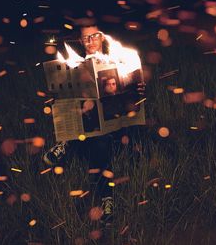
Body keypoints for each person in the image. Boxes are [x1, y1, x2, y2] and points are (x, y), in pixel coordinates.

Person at [43, 24, 145, 224]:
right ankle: (107, 197)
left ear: (102, 38)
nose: (90, 41)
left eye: (94, 36)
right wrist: (56, 99)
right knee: (97, 140)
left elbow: (134, 96)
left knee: (101, 140)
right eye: (86, 38)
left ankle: (68, 145)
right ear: (81, 41)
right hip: (88, 125)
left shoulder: (117, 61)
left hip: (115, 124)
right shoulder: (75, 65)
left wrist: (138, 89)